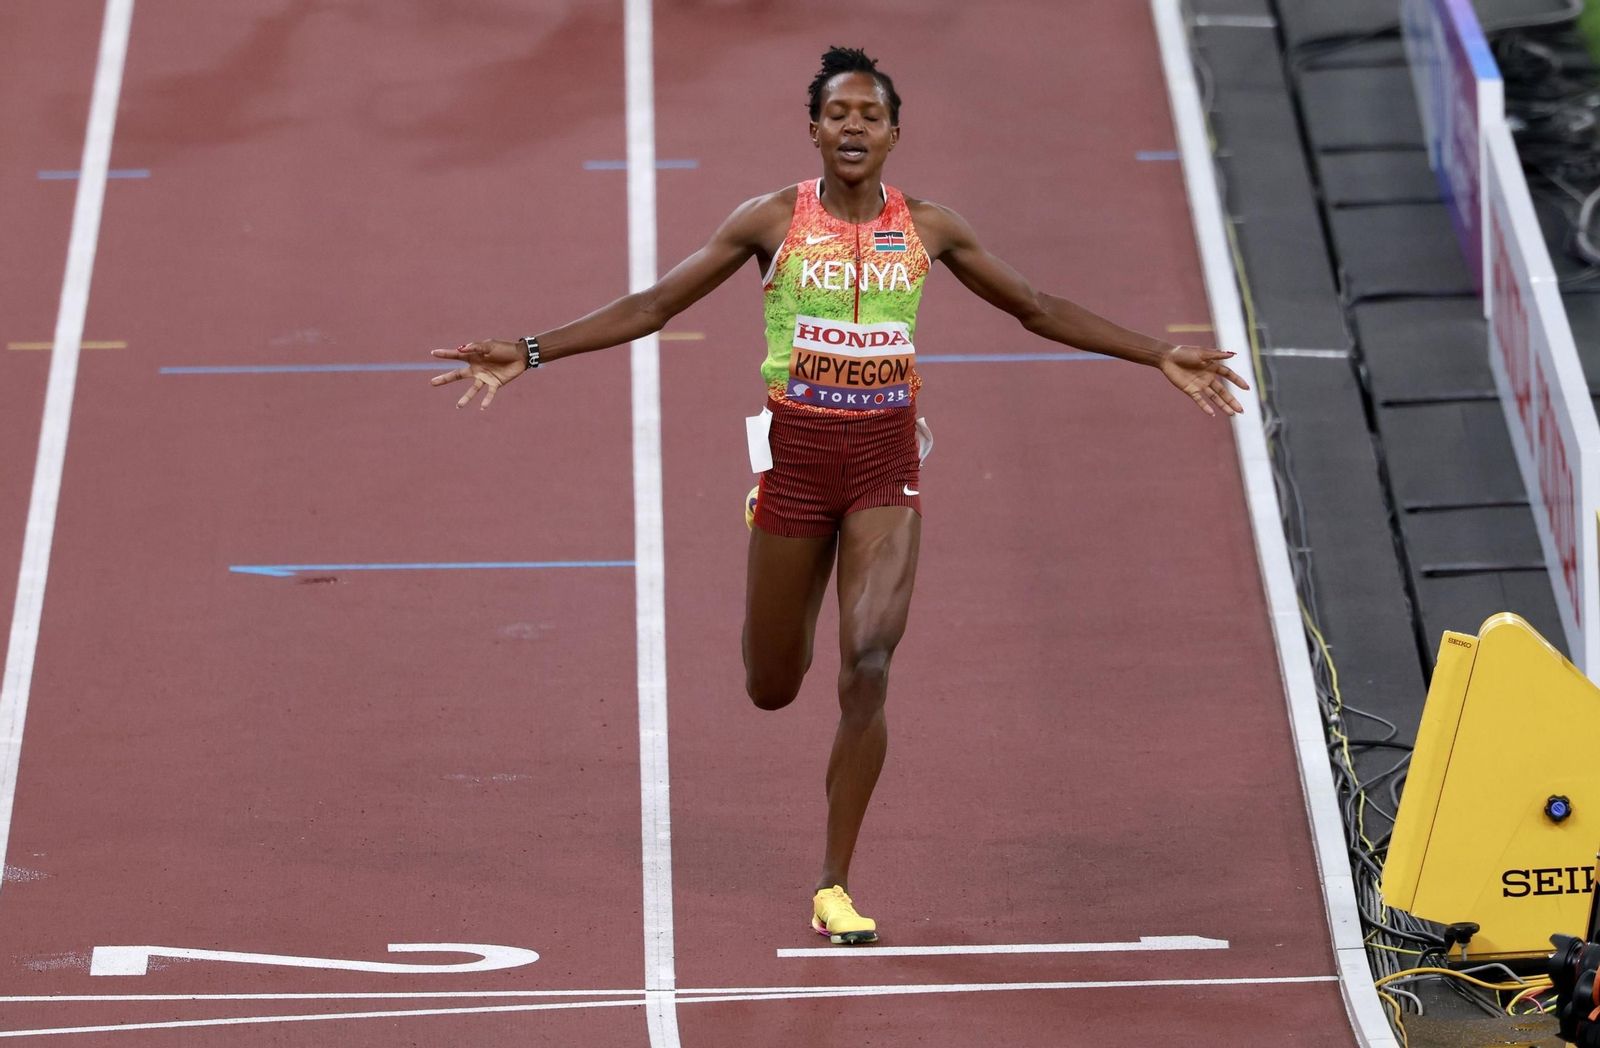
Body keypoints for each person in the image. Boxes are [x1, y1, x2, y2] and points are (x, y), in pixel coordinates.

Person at [430, 46, 1248, 946]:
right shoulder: (770, 221)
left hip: (883, 464)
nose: (853, 126)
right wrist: (532, 350)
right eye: (838, 114)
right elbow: (656, 305)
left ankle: (834, 884)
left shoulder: (931, 229)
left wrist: (1154, 353)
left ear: (895, 134)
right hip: (796, 464)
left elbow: (1037, 305)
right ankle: (776, 562)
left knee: (868, 663)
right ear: (814, 130)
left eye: (870, 114)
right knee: (772, 686)